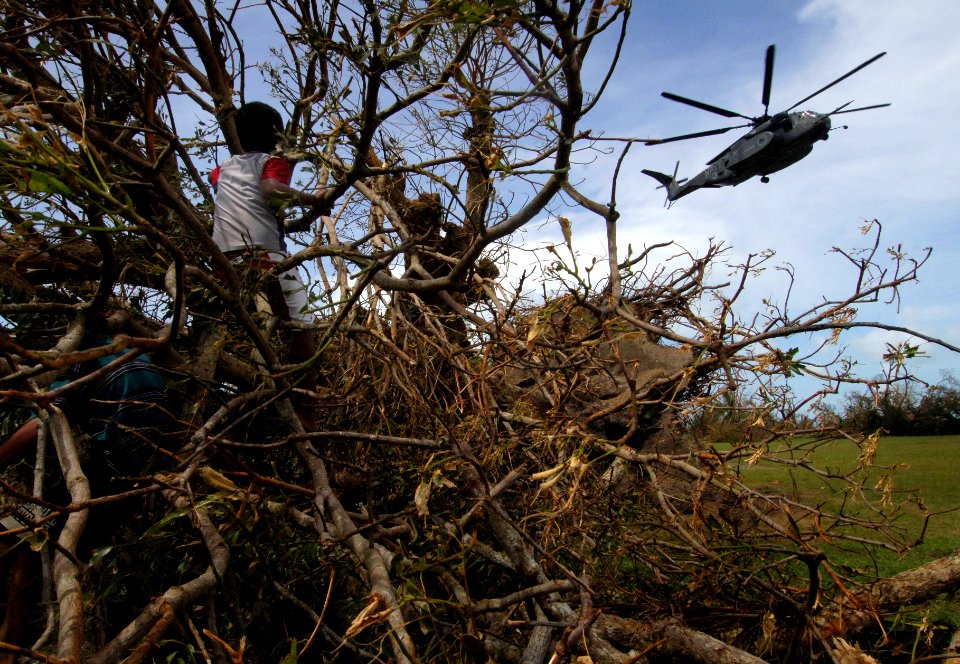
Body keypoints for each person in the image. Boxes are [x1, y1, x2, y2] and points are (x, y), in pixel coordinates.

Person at [0, 344, 176, 661]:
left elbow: (40, 421)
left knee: (27, 548)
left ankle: (9, 650)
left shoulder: (86, 361)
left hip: (111, 474)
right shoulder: (137, 356)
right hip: (139, 479)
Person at [209, 101, 331, 345]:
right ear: (277, 137)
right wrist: (312, 201)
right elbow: (270, 190)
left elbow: (246, 203)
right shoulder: (272, 163)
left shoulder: (218, 172)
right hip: (262, 258)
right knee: (301, 321)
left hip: (223, 261)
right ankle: (307, 383)